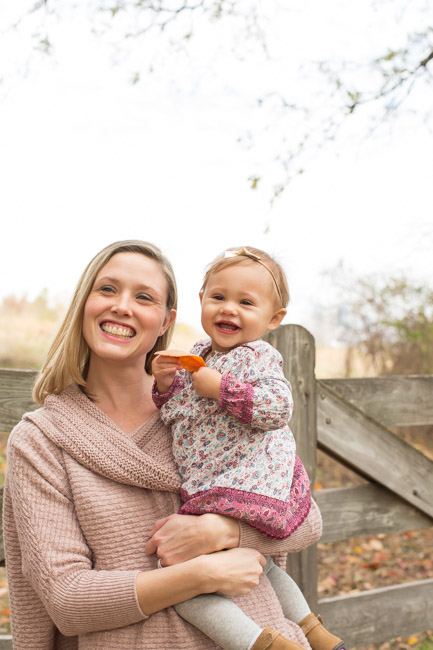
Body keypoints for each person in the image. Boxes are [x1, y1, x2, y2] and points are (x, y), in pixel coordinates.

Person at [3, 240, 324, 650]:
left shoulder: (205, 404)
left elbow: (307, 521)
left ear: (165, 320)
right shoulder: (41, 440)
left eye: (143, 297)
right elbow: (67, 600)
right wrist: (200, 575)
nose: (122, 306)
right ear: (83, 303)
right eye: (107, 289)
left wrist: (223, 530)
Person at [152, 246, 345, 650]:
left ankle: (260, 644)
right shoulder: (197, 354)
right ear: (201, 299)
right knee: (263, 566)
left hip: (245, 478)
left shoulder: (257, 357)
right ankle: (312, 631)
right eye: (219, 297)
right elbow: (180, 413)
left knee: (177, 582)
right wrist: (167, 386)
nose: (229, 309)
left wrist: (222, 388)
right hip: (216, 480)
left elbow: (278, 408)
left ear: (273, 319)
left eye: (246, 302)